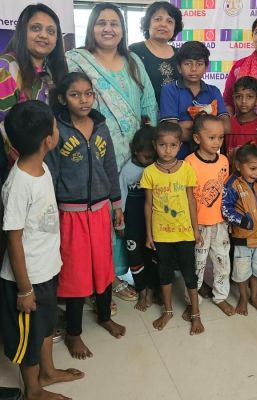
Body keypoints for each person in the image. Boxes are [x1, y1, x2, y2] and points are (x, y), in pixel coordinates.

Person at [66, 3, 158, 300]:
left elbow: (148, 102)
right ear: (91, 27)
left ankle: (116, 272)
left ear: (122, 29)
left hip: (134, 155)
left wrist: (150, 143)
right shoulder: (76, 60)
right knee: (97, 214)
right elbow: (66, 103)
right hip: (93, 153)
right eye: (101, 22)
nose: (108, 28)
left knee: (125, 213)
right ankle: (94, 280)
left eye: (114, 23)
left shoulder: (133, 61)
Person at [0, 100, 84, 400]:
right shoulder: (19, 183)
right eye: (55, 125)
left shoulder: (42, 168)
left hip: (46, 269)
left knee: (46, 326)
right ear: (48, 140)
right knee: (29, 337)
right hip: (26, 279)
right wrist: (24, 289)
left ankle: (47, 372)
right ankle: (33, 390)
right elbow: (13, 239)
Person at [45, 72, 126, 360]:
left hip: (101, 210)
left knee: (103, 266)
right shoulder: (57, 129)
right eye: (75, 94)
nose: (83, 100)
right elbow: (51, 173)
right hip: (71, 213)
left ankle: (104, 316)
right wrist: (52, 211)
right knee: (76, 273)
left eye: (88, 93)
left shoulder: (101, 126)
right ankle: (74, 333)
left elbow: (110, 166)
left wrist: (116, 204)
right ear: (62, 98)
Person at [141, 121, 204, 335]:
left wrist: (196, 229)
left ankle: (195, 314)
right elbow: (148, 205)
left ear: (180, 146)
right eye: (162, 145)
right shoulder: (149, 173)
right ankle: (167, 311)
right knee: (164, 273)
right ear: (155, 145)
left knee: (189, 274)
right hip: (161, 235)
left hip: (185, 233)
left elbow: (192, 200)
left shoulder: (186, 169)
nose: (167, 150)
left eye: (173, 145)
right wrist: (149, 234)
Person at [0, 3, 67, 171]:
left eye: (51, 31)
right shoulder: (5, 68)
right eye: (36, 28)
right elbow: (5, 129)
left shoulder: (51, 72)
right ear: (22, 32)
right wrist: (31, 169)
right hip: (18, 169)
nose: (43, 35)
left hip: (47, 163)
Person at [184, 114, 233, 317]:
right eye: (211, 137)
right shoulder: (189, 163)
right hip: (199, 226)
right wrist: (193, 227)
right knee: (197, 266)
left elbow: (226, 193)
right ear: (197, 138)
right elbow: (188, 198)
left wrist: (229, 219)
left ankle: (220, 296)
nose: (217, 142)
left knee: (222, 263)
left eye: (220, 137)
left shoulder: (224, 161)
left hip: (220, 224)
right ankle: (193, 301)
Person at [222, 143, 257, 315]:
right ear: (239, 165)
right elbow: (225, 209)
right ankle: (243, 298)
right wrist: (243, 222)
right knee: (242, 272)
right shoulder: (232, 184)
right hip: (243, 239)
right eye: (252, 168)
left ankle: (254, 296)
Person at [159, 41, 230, 159]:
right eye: (187, 64)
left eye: (199, 64)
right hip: (178, 160)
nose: (193, 69)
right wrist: (208, 131)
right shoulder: (170, 90)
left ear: (206, 67)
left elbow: (226, 127)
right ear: (179, 67)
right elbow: (172, 133)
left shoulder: (213, 91)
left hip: (207, 159)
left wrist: (186, 124)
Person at [119, 124, 159, 312]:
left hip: (153, 223)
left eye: (153, 157)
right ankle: (142, 290)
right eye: (147, 157)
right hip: (133, 224)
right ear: (136, 151)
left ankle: (152, 289)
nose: (151, 161)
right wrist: (120, 224)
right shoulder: (127, 171)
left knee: (153, 256)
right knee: (135, 257)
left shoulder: (156, 168)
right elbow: (121, 199)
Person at [129, 1, 182, 105]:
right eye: (158, 19)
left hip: (176, 113)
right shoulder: (134, 50)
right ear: (148, 23)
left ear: (175, 28)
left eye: (169, 21)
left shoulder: (180, 54)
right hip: (143, 113)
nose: (163, 24)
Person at [225, 76, 257, 157]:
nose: (243, 101)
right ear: (233, 99)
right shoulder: (227, 124)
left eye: (249, 97)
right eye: (239, 96)